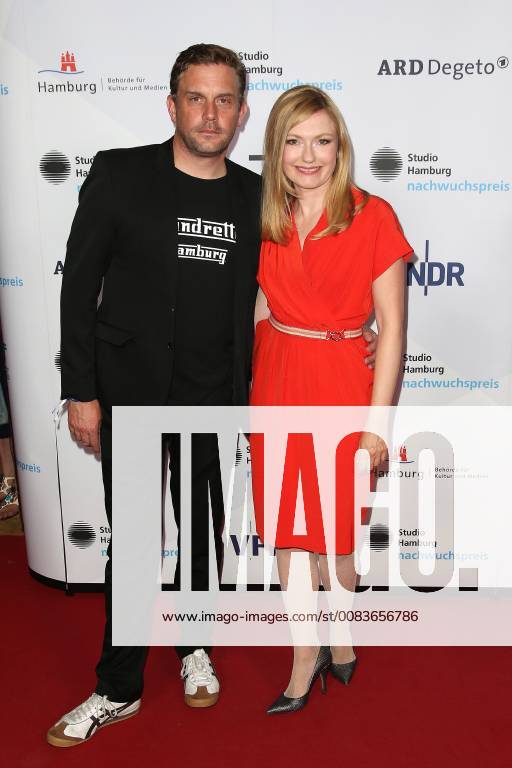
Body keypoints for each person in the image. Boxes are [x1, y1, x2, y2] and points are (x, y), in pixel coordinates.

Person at [48, 45, 378, 747]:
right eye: (196, 98)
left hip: (213, 399)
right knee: (133, 545)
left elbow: (291, 291)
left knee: (201, 541)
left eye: (224, 99)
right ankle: (118, 685)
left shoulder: (251, 197)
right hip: (130, 398)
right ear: (172, 106)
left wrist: (359, 334)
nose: (210, 113)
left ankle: (194, 645)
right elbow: (78, 288)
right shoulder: (119, 174)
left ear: (242, 112)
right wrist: (80, 390)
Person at [249, 85, 413, 714]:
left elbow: (392, 328)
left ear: (340, 145)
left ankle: (340, 639)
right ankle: (303, 655)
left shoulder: (374, 215)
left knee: (335, 530)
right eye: (293, 141)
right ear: (276, 149)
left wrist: (377, 425)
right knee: (290, 532)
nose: (307, 155)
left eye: (321, 139)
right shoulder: (263, 214)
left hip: (344, 383)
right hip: (279, 379)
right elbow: (260, 302)